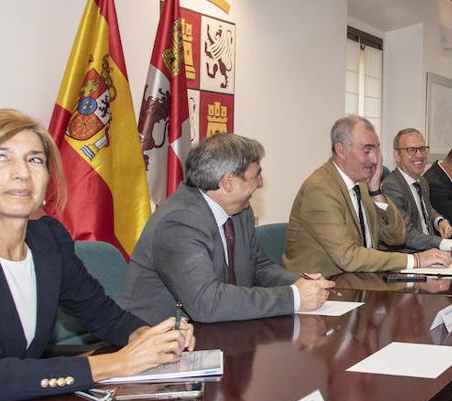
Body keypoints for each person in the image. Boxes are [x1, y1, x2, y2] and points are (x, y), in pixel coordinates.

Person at [0, 109, 194, 401]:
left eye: (35, 160)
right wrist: (121, 363)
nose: (22, 172)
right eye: (0, 158)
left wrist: (151, 338)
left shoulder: (48, 239)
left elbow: (103, 315)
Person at [120, 132, 335, 324]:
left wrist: (302, 284)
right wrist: (294, 297)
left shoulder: (240, 212)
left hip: (216, 331)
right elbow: (207, 303)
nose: (260, 182)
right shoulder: (179, 222)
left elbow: (258, 267)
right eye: (256, 174)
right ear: (229, 182)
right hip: (156, 342)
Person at [283, 115, 451, 278]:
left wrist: (376, 191)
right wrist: (416, 260)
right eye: (367, 150)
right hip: (322, 287)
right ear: (341, 150)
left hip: (360, 279)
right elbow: (348, 257)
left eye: (377, 149)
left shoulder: (363, 185)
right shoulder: (320, 189)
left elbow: (396, 237)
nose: (375, 159)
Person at [382, 128, 452, 254]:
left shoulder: (422, 181)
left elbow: (425, 208)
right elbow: (407, 234)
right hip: (410, 258)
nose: (419, 155)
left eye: (422, 149)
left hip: (430, 253)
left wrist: (438, 220)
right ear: (397, 155)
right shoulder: (392, 186)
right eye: (411, 150)